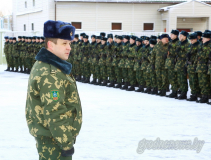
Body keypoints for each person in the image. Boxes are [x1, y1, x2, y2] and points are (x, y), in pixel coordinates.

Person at [25, 20, 83, 159]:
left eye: (69, 43)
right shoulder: (50, 74)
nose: (69, 47)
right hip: (54, 141)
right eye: (64, 43)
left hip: (53, 137)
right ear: (51, 45)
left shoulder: (51, 66)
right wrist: (66, 143)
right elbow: (55, 111)